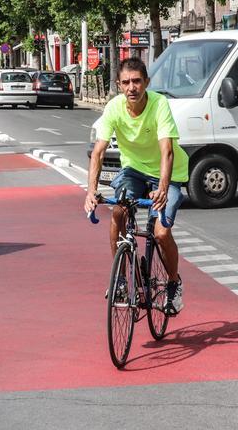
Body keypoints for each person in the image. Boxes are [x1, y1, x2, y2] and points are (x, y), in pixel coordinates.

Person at [85, 58, 190, 315]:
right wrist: (91, 192)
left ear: (146, 83)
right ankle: (120, 279)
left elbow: (167, 151)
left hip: (169, 174)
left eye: (137, 81)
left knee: (162, 233)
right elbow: (98, 152)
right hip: (133, 171)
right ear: (119, 85)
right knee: (119, 212)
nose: (132, 87)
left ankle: (174, 282)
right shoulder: (114, 108)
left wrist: (163, 188)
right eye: (126, 82)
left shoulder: (159, 104)